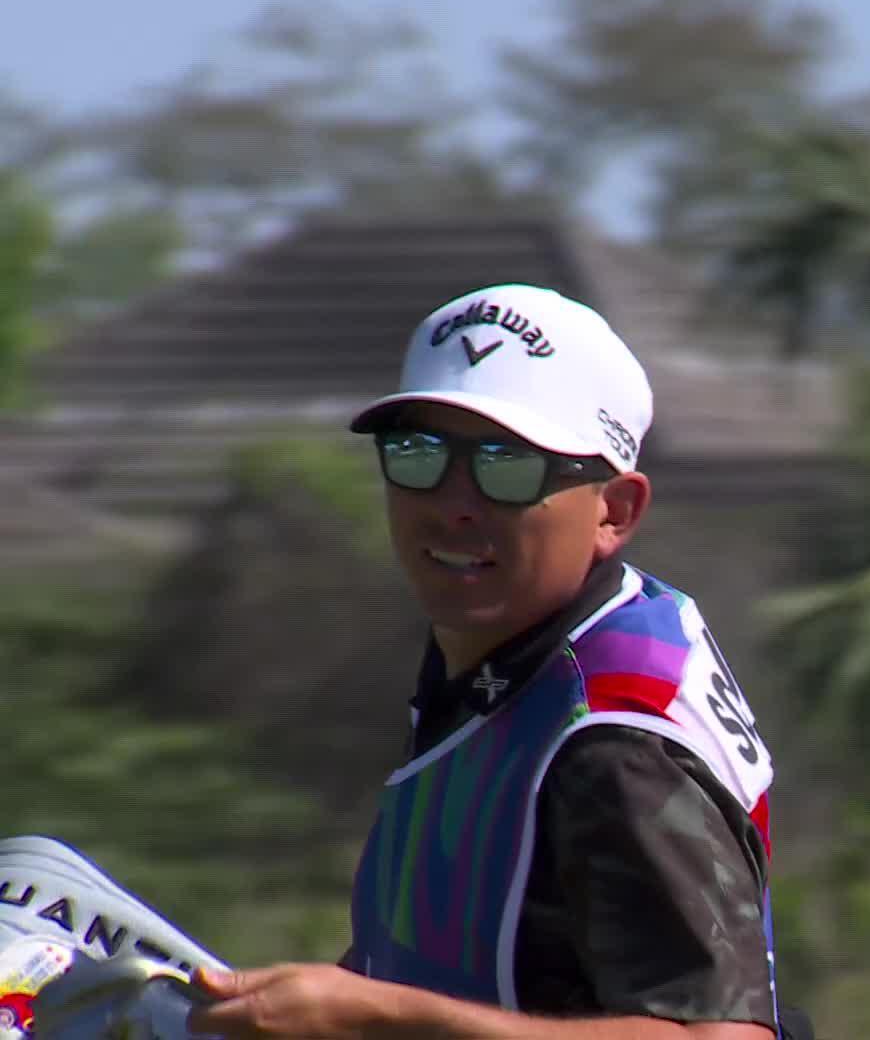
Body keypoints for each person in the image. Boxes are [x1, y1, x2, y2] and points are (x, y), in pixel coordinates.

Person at [184, 284, 804, 1039]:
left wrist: (381, 1019)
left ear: (615, 511)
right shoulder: (514, 648)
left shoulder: (616, 743)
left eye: (507, 467)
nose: (453, 504)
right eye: (418, 454)